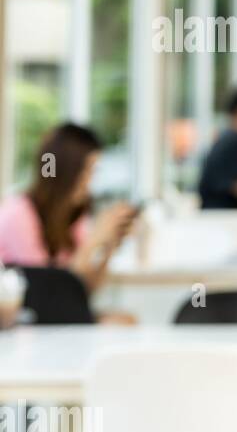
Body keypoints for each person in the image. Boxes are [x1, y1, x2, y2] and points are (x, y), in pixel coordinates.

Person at [0, 122, 136, 301]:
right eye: (87, 172)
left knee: (124, 320)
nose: (90, 182)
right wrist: (95, 239)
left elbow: (83, 290)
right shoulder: (18, 215)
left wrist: (109, 246)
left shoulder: (74, 219)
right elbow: (49, 294)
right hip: (28, 318)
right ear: (68, 170)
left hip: (54, 317)